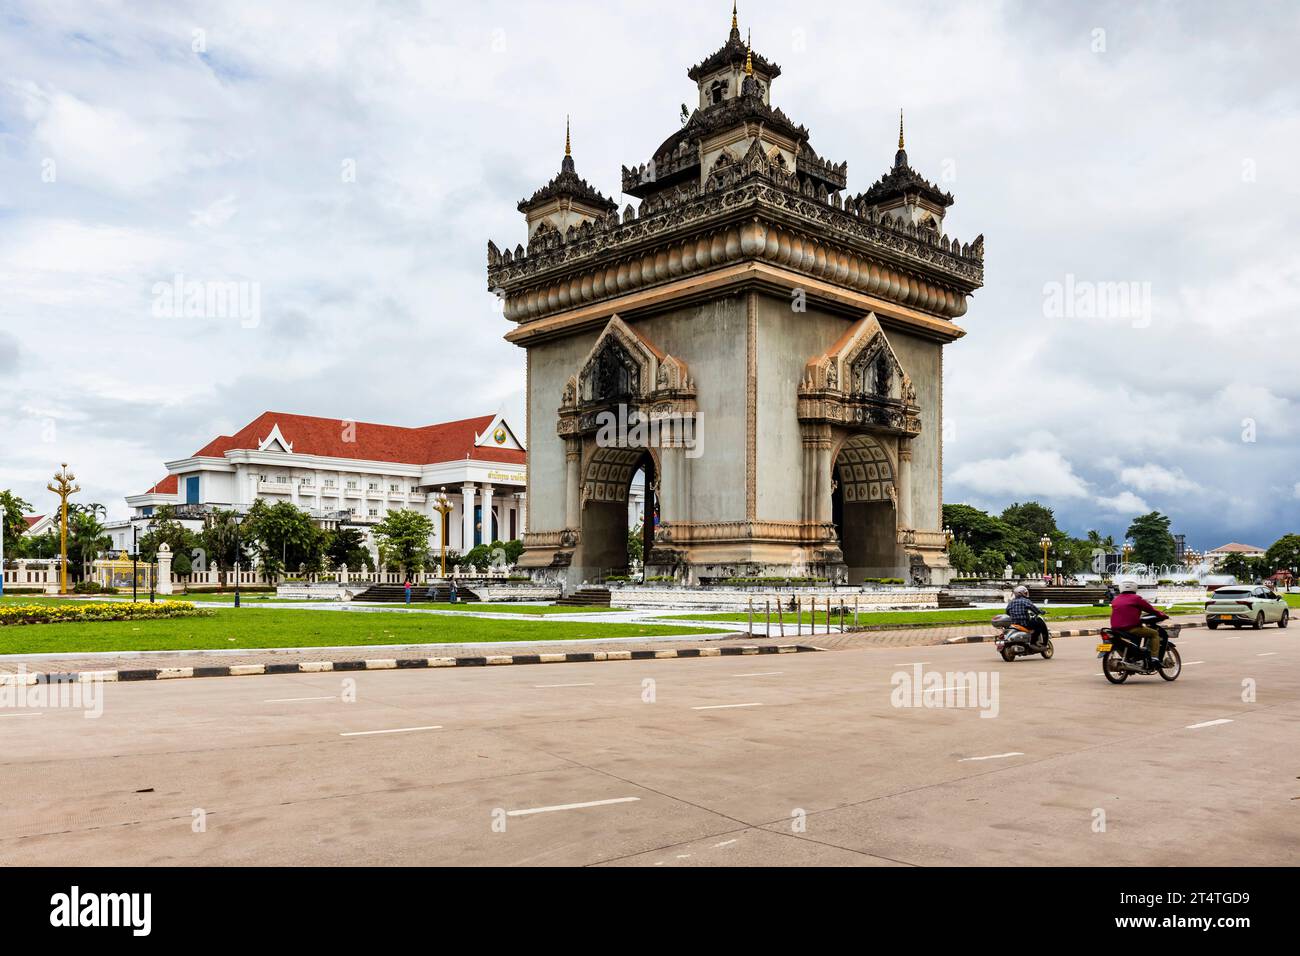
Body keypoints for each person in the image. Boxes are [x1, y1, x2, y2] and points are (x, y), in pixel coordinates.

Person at [1110, 580, 1169, 667]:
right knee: (1154, 633)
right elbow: (1150, 609)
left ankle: (1134, 656)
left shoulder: (1116, 599)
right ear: (1134, 588)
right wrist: (1162, 614)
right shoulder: (1136, 598)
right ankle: (1154, 659)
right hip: (1131, 628)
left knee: (1140, 633)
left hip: (1116, 629)